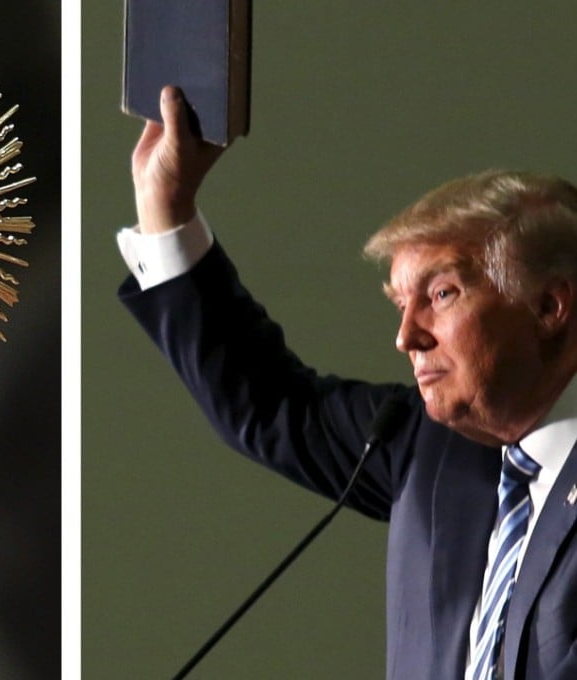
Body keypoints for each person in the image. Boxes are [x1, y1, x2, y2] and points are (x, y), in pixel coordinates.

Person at [118, 85, 577, 680]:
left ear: (547, 305)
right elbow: (268, 402)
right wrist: (167, 208)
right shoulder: (427, 447)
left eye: (441, 296)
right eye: (399, 304)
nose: (407, 337)